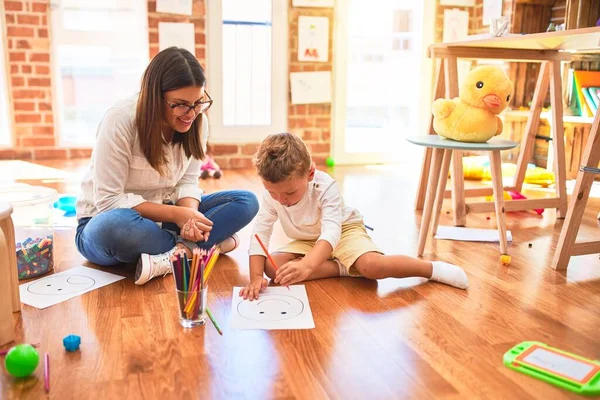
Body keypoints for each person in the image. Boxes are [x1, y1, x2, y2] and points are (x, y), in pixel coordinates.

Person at [75, 47, 259, 285]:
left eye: (198, 102)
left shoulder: (197, 122)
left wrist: (190, 218)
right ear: (155, 96)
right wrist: (177, 215)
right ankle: (198, 248)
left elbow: (187, 182)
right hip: (108, 220)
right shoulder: (120, 119)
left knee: (246, 201)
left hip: (167, 216)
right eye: (181, 104)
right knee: (115, 228)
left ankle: (175, 252)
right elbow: (109, 201)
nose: (191, 114)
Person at [240, 132, 469, 300]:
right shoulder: (275, 195)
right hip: (309, 239)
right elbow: (261, 232)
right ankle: (343, 268)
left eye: (289, 192)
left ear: (310, 174)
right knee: (274, 270)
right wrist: (255, 276)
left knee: (372, 267)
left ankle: (430, 269)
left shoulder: (325, 186)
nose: (281, 200)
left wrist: (308, 266)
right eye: (273, 192)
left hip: (343, 232)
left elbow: (332, 232)